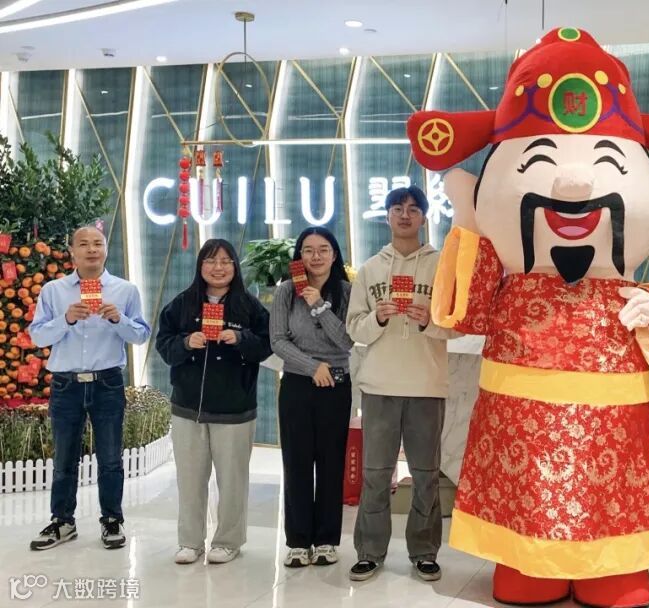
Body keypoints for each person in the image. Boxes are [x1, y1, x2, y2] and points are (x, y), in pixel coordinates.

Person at [346, 185, 458, 582]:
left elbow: (456, 325)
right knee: (376, 474)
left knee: (426, 474)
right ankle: (369, 551)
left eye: (413, 209)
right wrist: (378, 317)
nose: (405, 215)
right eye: (398, 208)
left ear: (425, 217)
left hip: (426, 385)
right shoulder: (371, 269)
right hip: (379, 386)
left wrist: (429, 321)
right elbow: (354, 328)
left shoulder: (442, 267)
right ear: (387, 216)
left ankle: (424, 551)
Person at [28, 225, 151, 551]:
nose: (92, 249)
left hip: (107, 382)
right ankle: (62, 521)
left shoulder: (125, 290)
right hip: (66, 384)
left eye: (98, 243)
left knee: (110, 458)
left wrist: (119, 320)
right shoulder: (54, 291)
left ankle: (112, 519)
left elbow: (141, 335)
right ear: (72, 252)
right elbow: (37, 336)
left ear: (106, 250)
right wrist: (66, 319)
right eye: (84, 244)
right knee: (64, 459)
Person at [155, 238, 272, 565]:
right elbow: (164, 345)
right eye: (210, 261)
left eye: (225, 261)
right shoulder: (182, 304)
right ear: (200, 266)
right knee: (190, 480)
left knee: (232, 481)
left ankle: (228, 541)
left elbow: (266, 345)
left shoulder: (249, 307)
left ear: (235, 266)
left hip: (235, 409)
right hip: (187, 407)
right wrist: (185, 343)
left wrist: (241, 338)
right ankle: (190, 542)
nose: (218, 268)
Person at [270, 226, 355, 568]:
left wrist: (319, 305)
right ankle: (298, 541)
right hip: (297, 384)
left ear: (334, 255)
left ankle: (326, 540)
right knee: (297, 463)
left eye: (323, 249)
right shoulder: (286, 292)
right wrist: (311, 367)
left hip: (337, 386)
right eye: (308, 250)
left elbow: (346, 340)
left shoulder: (346, 292)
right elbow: (278, 340)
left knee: (332, 463)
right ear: (299, 256)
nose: (315, 256)